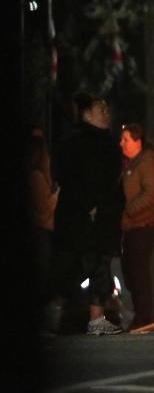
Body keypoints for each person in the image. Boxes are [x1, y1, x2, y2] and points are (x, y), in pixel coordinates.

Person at [51, 94, 125, 335]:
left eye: (106, 108)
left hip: (102, 217)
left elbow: (113, 179)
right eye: (99, 109)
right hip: (77, 215)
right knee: (70, 266)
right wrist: (87, 203)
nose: (106, 113)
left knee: (100, 266)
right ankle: (52, 314)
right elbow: (65, 174)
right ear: (86, 114)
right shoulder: (73, 142)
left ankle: (96, 317)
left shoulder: (108, 143)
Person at [118, 123, 154, 329]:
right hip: (131, 226)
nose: (121, 143)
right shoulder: (130, 163)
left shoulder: (146, 162)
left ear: (138, 142)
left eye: (126, 140)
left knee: (139, 271)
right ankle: (141, 314)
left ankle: (144, 317)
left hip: (143, 225)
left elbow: (151, 193)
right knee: (130, 271)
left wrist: (129, 210)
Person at [27, 132, 59, 321]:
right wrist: (55, 195)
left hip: (42, 229)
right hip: (41, 229)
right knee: (43, 275)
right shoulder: (37, 176)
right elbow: (44, 207)